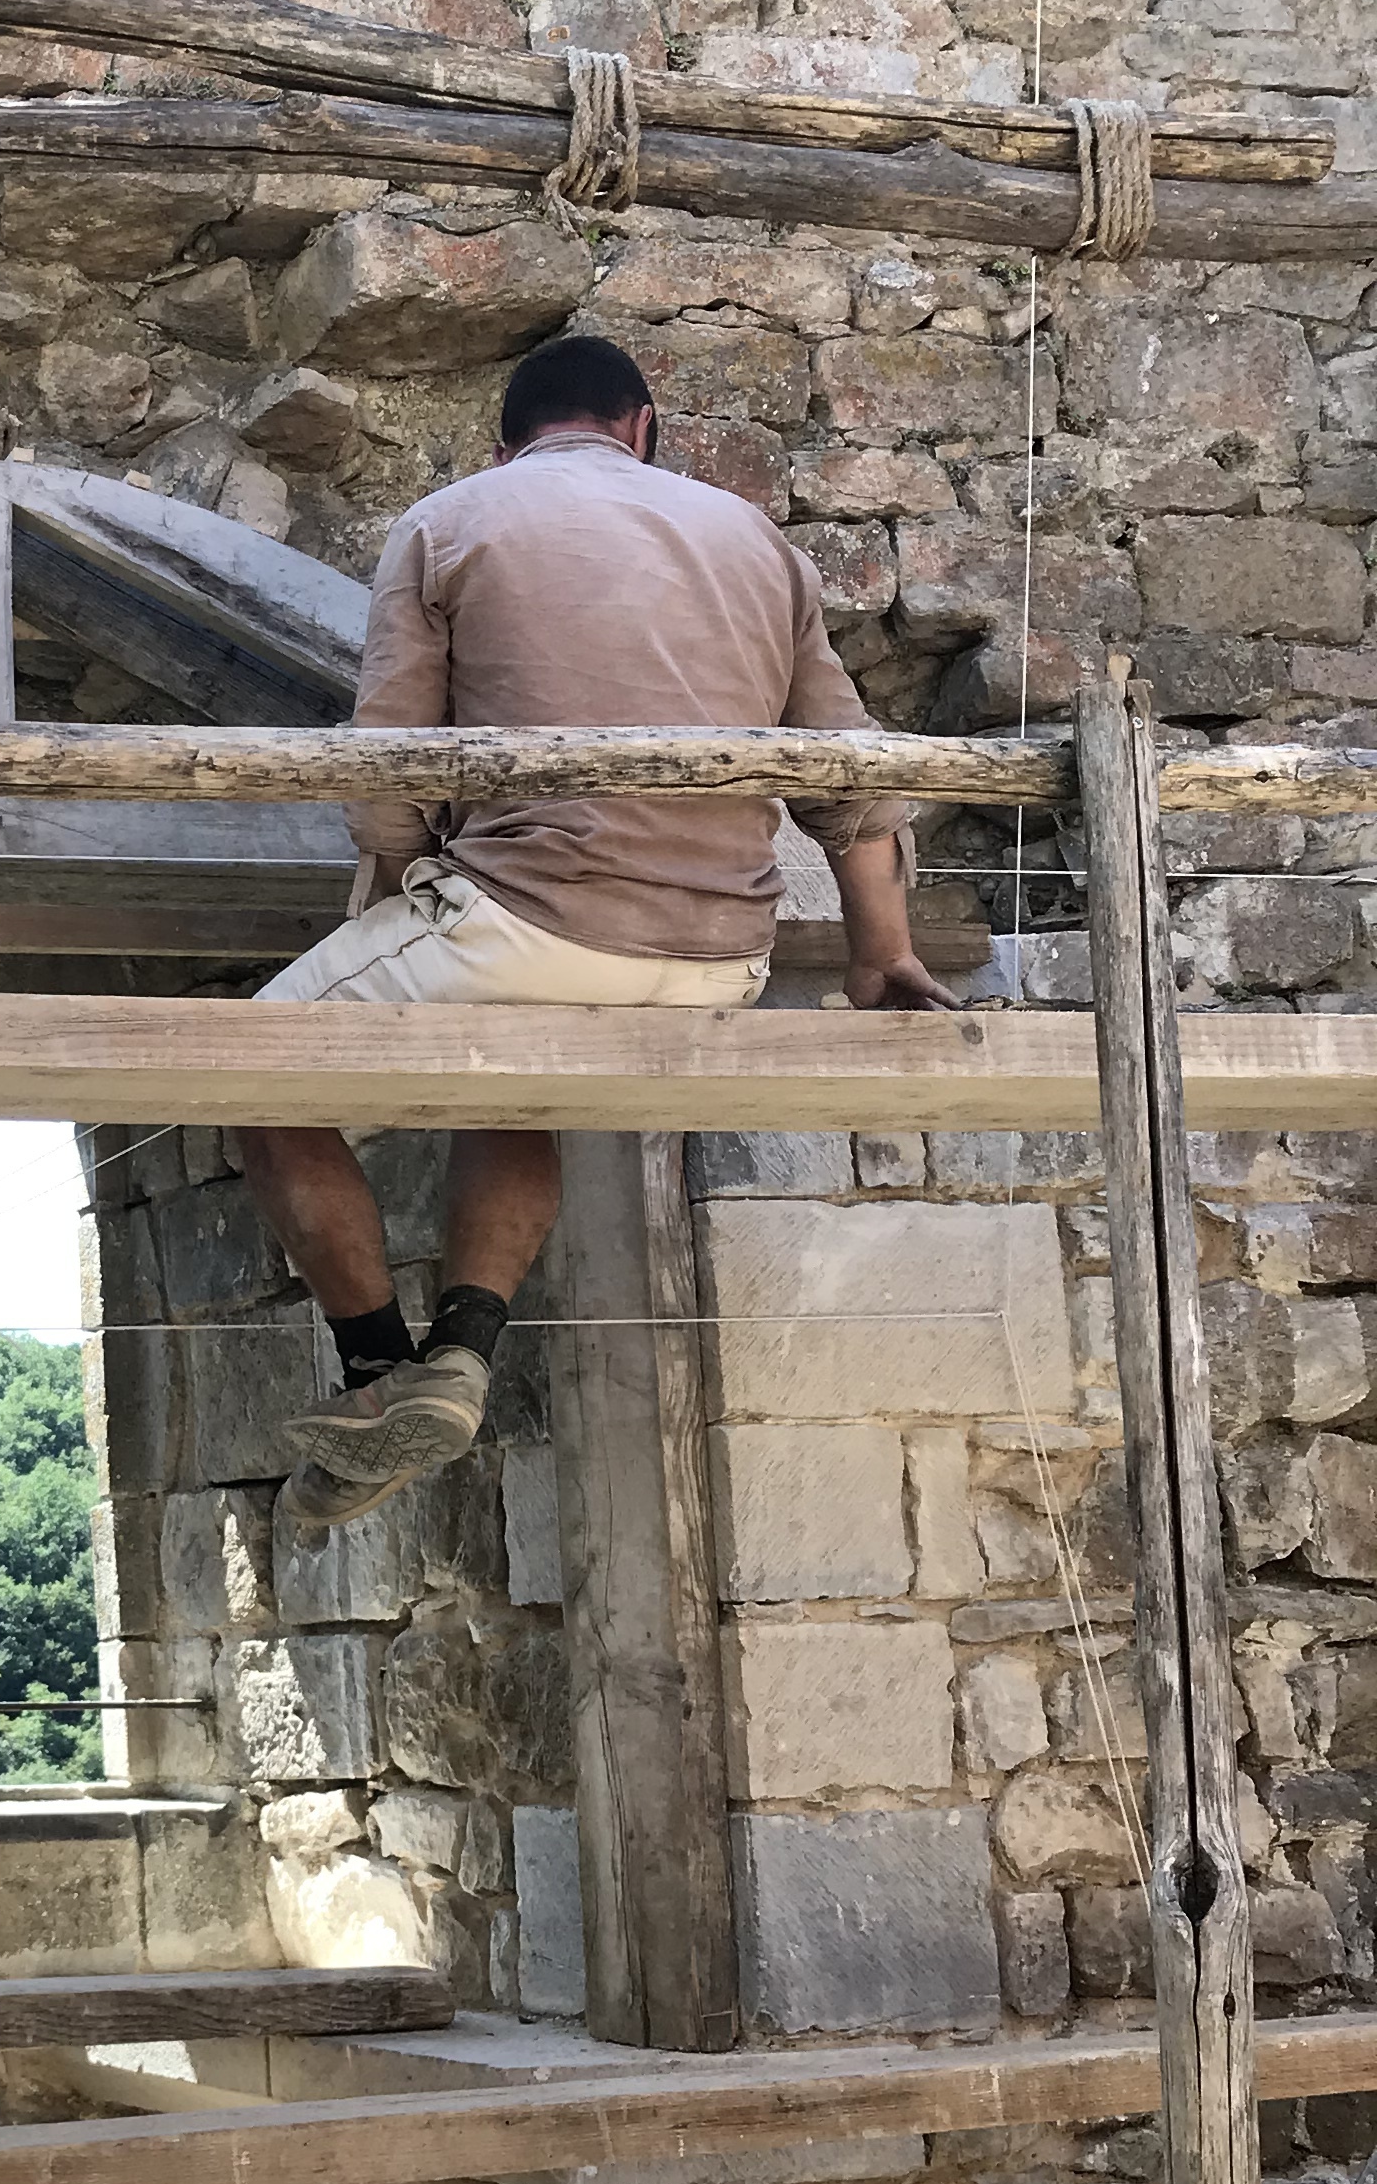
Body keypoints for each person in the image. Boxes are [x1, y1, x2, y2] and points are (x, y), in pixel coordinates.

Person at [235, 329, 954, 1535]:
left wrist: (421, 884)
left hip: (528, 919)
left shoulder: (451, 519)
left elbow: (387, 777)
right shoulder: (757, 543)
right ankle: (460, 1356)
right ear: (641, 426)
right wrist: (884, 956)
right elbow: (849, 772)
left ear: (508, 442)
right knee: (513, 1087)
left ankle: (376, 1373)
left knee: (249, 1070)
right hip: (723, 959)